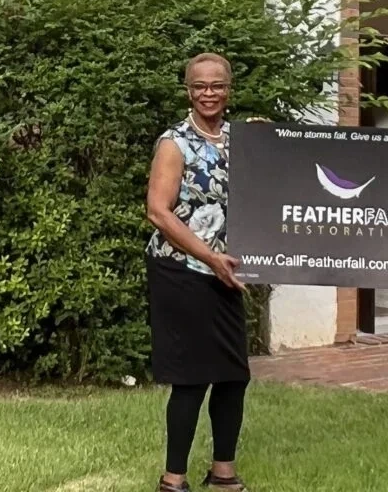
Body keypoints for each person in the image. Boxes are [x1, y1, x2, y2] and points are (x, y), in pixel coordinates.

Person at [144, 52, 251, 492]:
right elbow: (158, 212)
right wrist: (210, 258)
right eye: (200, 86)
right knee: (191, 379)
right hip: (182, 271)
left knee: (233, 375)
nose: (209, 93)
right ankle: (174, 479)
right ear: (188, 90)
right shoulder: (175, 142)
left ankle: (222, 472)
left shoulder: (241, 140)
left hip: (227, 274)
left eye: (217, 86)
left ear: (229, 90)